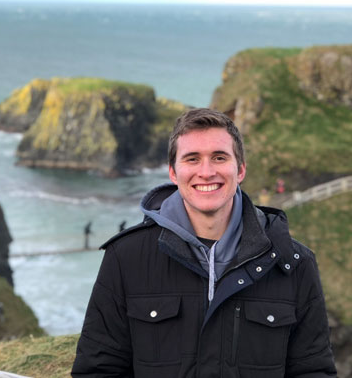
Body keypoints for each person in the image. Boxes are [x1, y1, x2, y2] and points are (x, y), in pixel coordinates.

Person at [72, 108, 336, 377]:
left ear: (241, 169)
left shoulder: (293, 263)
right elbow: (98, 370)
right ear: (174, 173)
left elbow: (313, 371)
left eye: (219, 157)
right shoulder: (125, 257)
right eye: (192, 159)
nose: (206, 172)